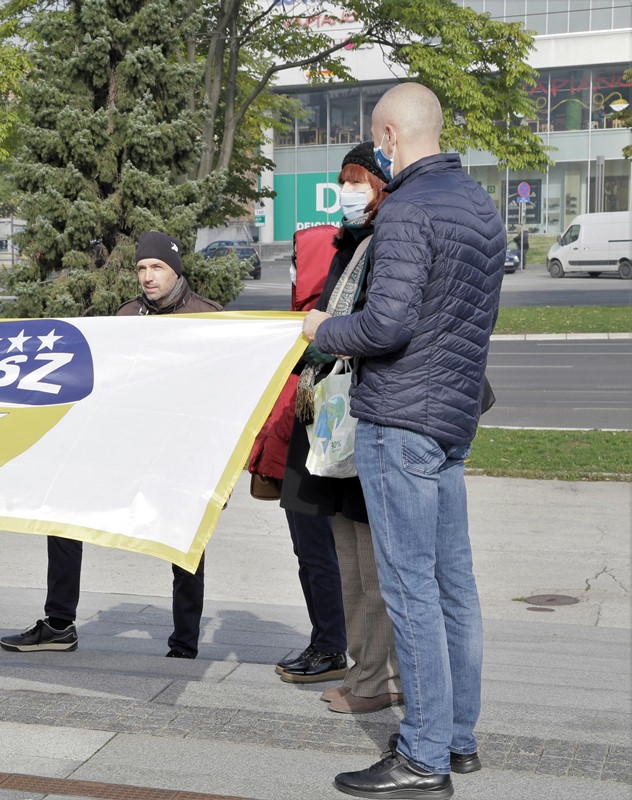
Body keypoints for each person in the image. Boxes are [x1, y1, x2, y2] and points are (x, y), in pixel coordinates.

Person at [304, 83, 501, 797]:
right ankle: (457, 736)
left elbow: (385, 326)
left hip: (400, 419)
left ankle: (422, 757)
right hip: (452, 418)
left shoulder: (409, 208)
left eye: (375, 141)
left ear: (388, 134)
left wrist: (321, 329)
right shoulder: (479, 205)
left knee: (410, 588)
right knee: (455, 587)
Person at [0, 230, 220, 659]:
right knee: (61, 510)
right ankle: (59, 624)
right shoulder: (125, 315)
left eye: (156, 267)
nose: (148, 276)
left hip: (179, 453)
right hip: (125, 446)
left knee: (186, 543)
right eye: (141, 268)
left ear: (176, 270)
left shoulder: (208, 317)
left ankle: (184, 642)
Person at [281, 142, 402, 712]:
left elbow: (374, 329)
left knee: (373, 565)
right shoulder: (348, 245)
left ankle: (377, 678)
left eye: (359, 182)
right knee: (350, 557)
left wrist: (322, 329)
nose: (349, 194)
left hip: (370, 419)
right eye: (344, 183)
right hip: (338, 426)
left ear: (382, 186)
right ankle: (365, 669)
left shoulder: (390, 243)